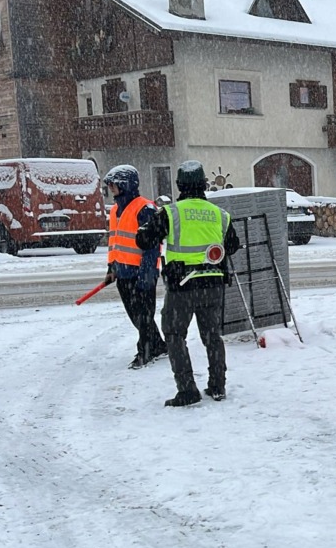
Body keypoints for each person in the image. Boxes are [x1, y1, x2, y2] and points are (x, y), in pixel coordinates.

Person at [136, 160, 241, 407]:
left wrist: (146, 227)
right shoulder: (220, 214)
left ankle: (187, 390)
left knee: (174, 334)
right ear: (203, 184)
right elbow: (233, 245)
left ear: (179, 185)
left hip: (181, 285)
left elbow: (145, 241)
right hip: (213, 283)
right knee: (212, 336)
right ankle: (218, 386)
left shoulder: (171, 213)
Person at [102, 165, 167, 369]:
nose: (110, 188)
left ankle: (145, 352)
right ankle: (158, 346)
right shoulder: (115, 210)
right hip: (123, 273)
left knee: (144, 316)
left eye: (113, 184)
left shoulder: (145, 209)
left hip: (141, 273)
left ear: (126, 184)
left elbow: (152, 247)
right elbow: (114, 242)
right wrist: (112, 267)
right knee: (137, 317)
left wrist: (146, 276)